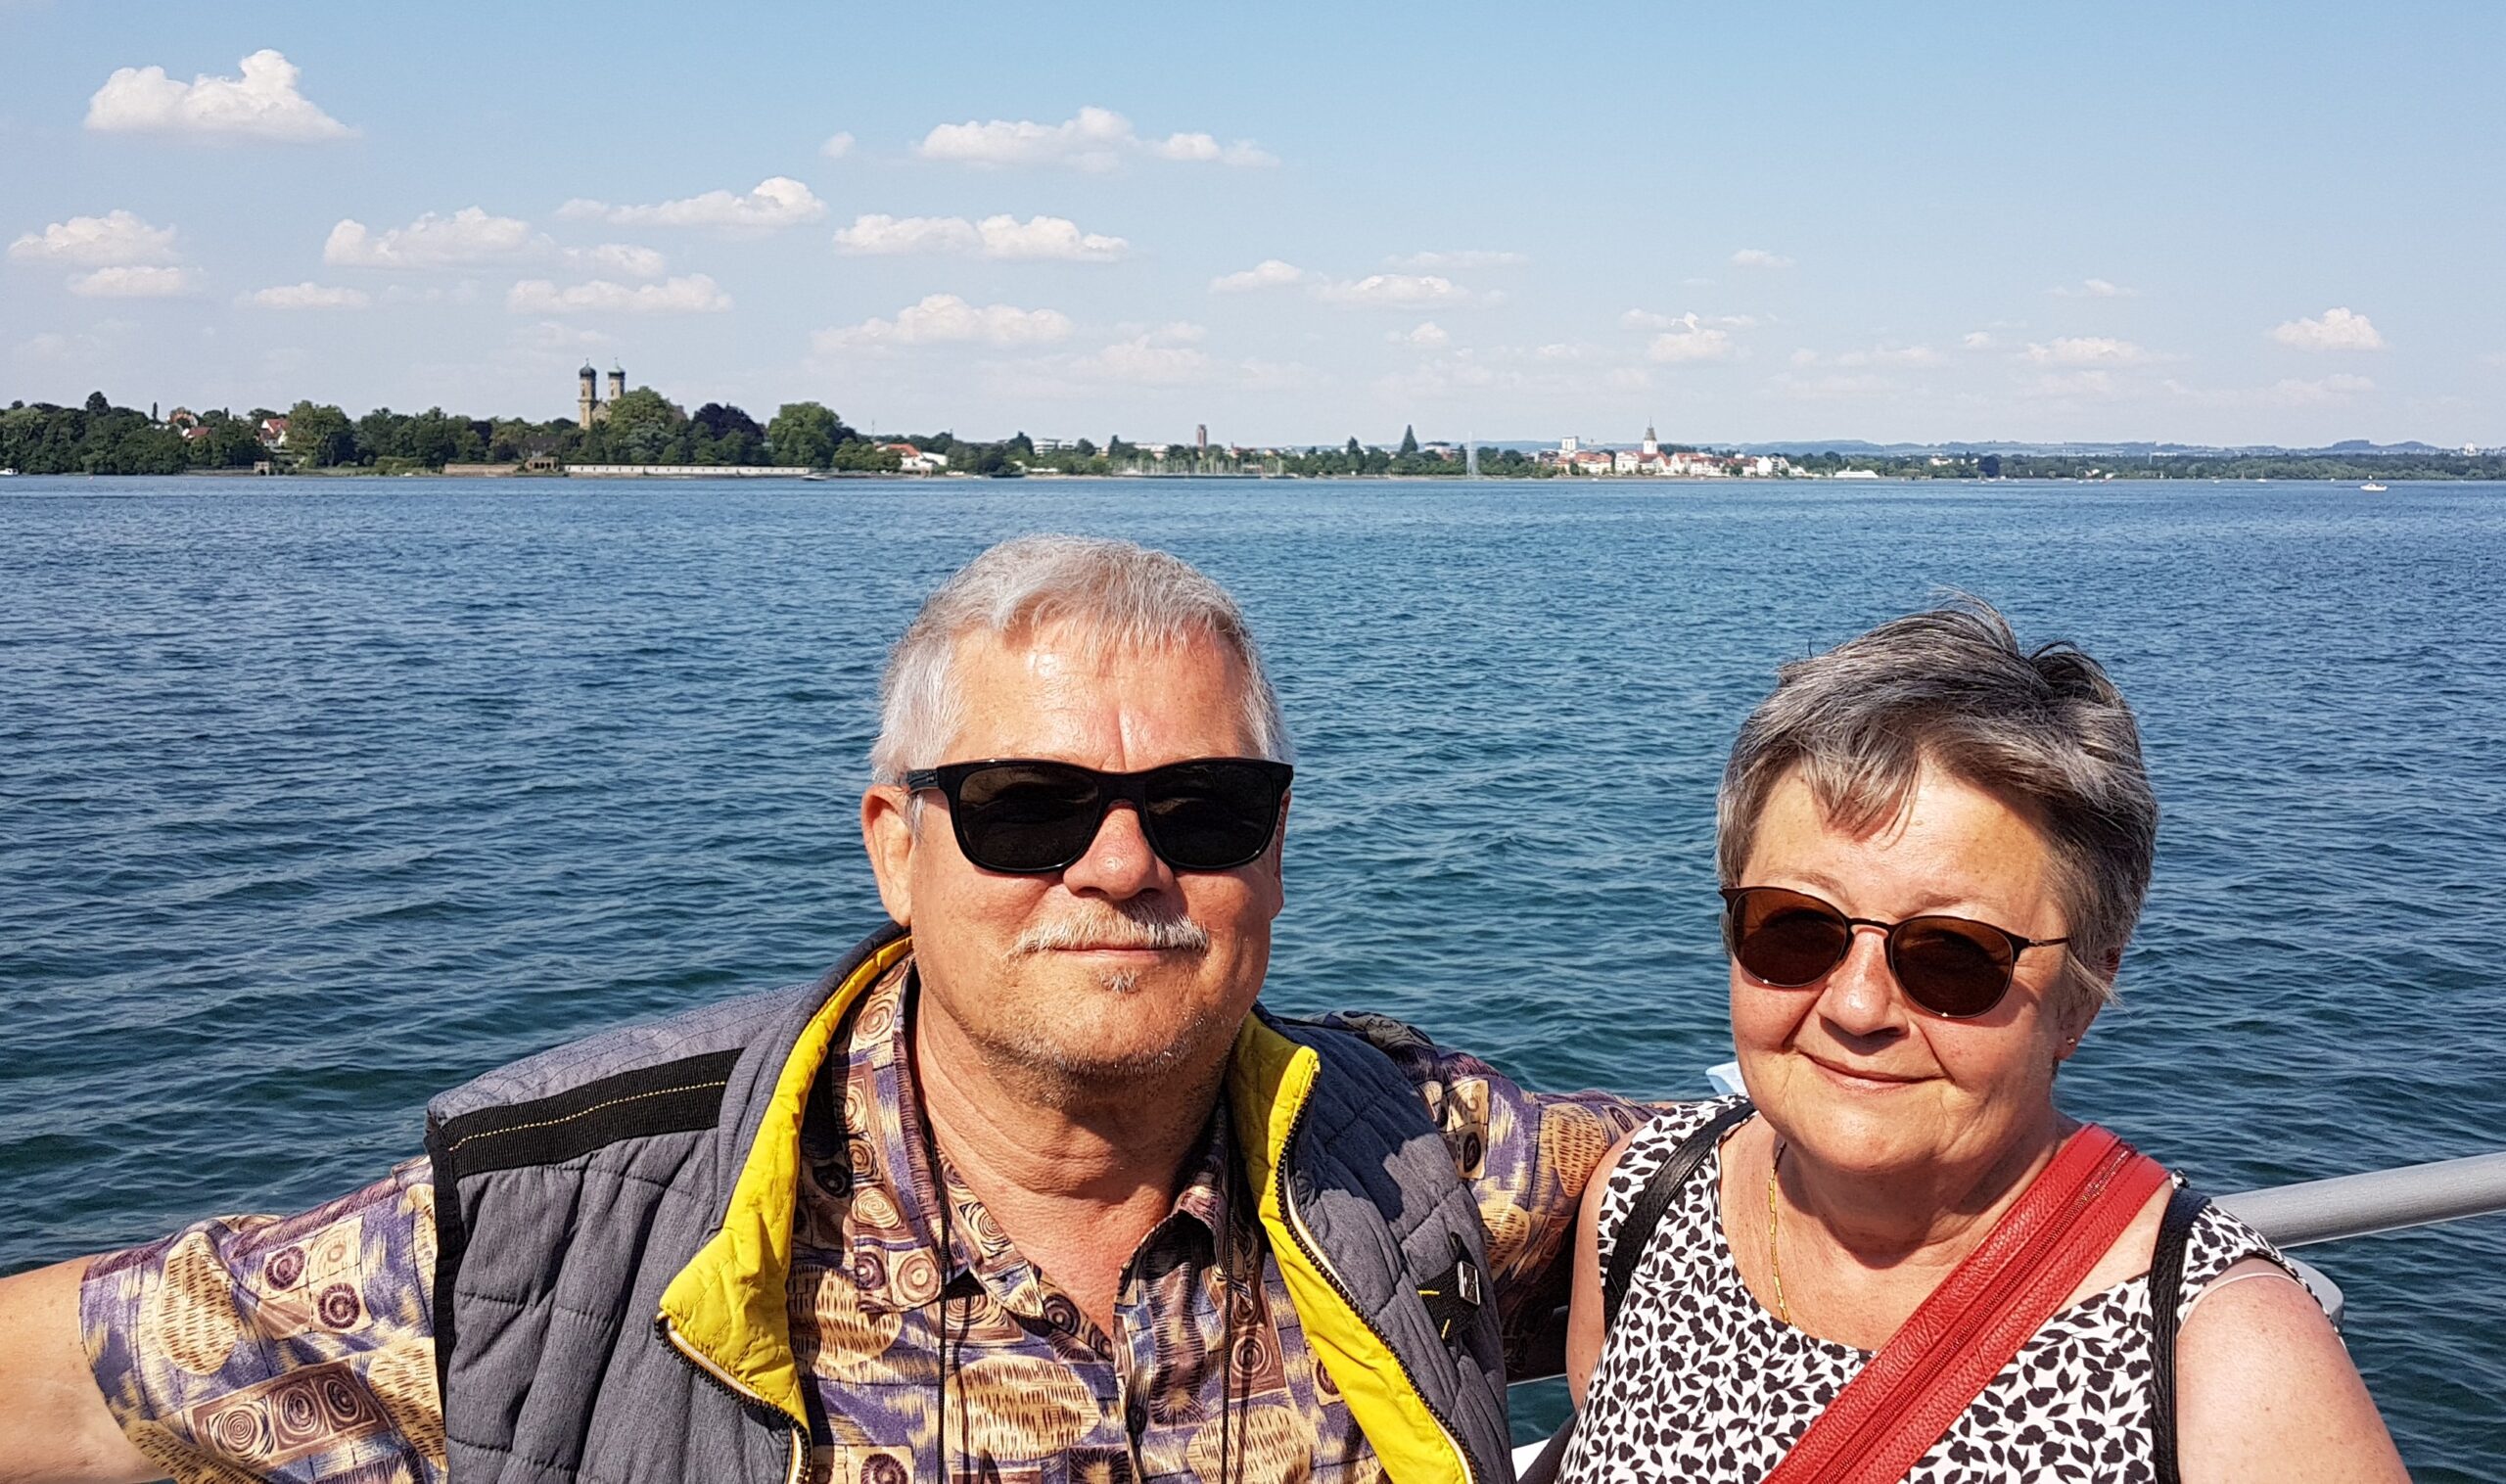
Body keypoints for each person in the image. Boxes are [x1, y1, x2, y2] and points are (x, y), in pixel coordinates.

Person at [0, 534, 1647, 1484]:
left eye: (1204, 810)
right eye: (1025, 805)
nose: (1122, 863)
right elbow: (82, 1377)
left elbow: (1787, 1177)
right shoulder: (574, 1225)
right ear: (897, 847)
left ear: (1275, 852)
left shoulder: (1425, 1157)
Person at [1557, 603, 2407, 1484]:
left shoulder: (2229, 1361)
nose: (1856, 1005)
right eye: (1796, 929)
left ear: (2081, 995)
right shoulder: (1645, 1199)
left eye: (1953, 955)